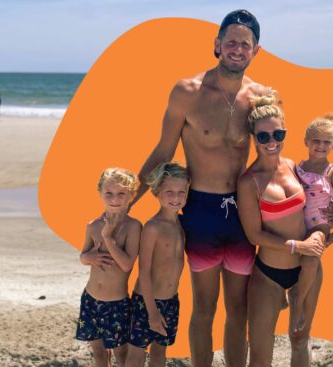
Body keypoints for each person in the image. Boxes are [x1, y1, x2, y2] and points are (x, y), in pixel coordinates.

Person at [131, 9, 265, 367]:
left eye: (245, 44)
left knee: (239, 309)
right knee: (204, 307)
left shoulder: (262, 98)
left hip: (242, 211)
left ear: (256, 51)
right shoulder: (187, 91)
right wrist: (125, 206)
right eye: (231, 42)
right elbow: (163, 151)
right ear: (218, 44)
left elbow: (272, 155)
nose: (238, 49)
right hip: (200, 211)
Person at [237, 89, 325, 367]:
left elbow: (318, 201)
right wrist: (298, 245)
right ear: (254, 138)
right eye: (263, 136)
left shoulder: (293, 166)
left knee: (301, 341)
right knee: (261, 356)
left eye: (278, 134)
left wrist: (324, 225)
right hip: (269, 275)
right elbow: (254, 234)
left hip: (306, 270)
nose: (272, 142)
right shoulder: (248, 181)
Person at [125, 163, 190, 367]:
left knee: (160, 353)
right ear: (157, 193)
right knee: (136, 354)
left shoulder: (182, 223)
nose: (176, 197)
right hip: (146, 301)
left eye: (181, 192)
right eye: (169, 192)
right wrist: (152, 312)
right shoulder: (153, 227)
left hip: (170, 300)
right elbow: (143, 271)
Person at [76, 168, 142, 367]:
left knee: (121, 353)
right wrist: (89, 256)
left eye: (121, 193)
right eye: (109, 193)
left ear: (131, 195)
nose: (115, 198)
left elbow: (126, 264)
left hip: (116, 304)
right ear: (100, 194)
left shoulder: (133, 227)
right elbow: (82, 257)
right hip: (90, 299)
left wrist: (107, 237)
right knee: (98, 353)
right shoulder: (92, 225)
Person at [292, 114, 333, 332]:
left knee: (312, 259)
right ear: (306, 141)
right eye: (316, 141)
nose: (321, 146)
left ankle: (297, 302)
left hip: (320, 224)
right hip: (297, 224)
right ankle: (290, 294)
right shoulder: (297, 168)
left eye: (326, 142)